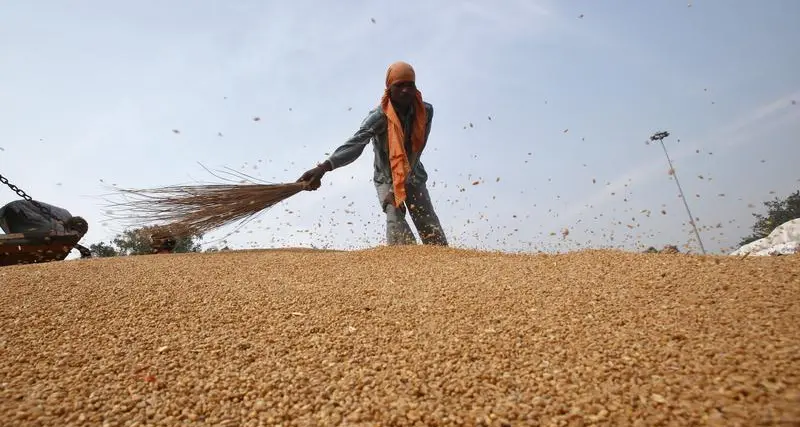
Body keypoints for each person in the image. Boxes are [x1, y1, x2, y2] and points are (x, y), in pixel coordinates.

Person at [298, 61, 448, 246]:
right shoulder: (379, 117)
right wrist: (323, 168)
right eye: (399, 86)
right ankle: (407, 266)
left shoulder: (425, 111)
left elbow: (417, 149)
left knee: (427, 221)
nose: (405, 91)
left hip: (413, 173)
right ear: (389, 89)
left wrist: (398, 188)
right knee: (394, 214)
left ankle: (444, 264)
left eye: (410, 85)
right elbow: (355, 144)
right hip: (386, 177)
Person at [0, 199, 91, 257]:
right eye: (78, 234)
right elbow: (61, 236)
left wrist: (79, 248)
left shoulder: (63, 225)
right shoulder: (65, 216)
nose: (77, 237)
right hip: (18, 210)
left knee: (22, 238)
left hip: (8, 216)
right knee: (48, 232)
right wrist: (79, 248)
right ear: (75, 227)